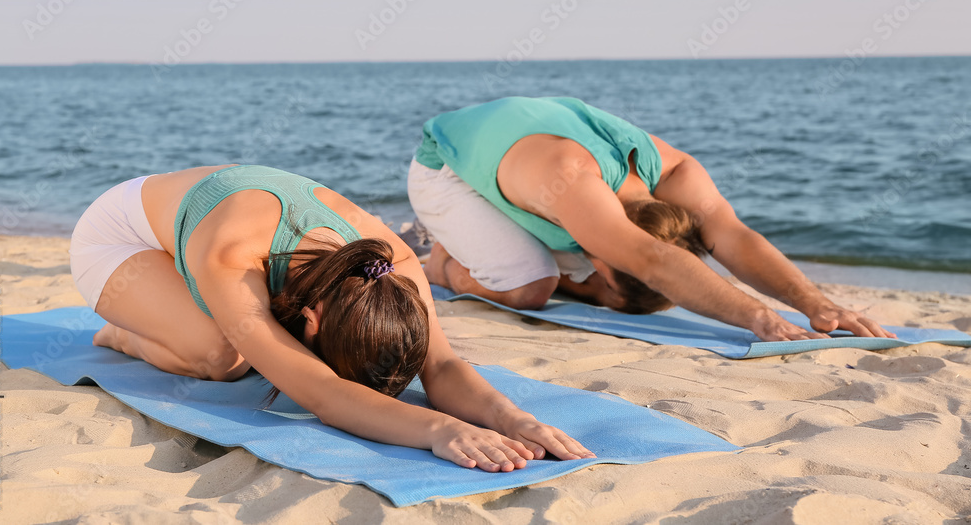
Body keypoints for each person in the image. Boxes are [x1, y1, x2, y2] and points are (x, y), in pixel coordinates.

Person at [69, 164, 594, 471]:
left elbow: (441, 366)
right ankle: (125, 332)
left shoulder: (394, 266)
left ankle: (171, 310)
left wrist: (513, 419)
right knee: (222, 357)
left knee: (251, 351)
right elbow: (323, 394)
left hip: (196, 226)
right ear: (314, 319)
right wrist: (439, 429)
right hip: (116, 242)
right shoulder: (232, 257)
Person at [408, 96, 895, 342]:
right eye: (604, 283)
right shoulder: (572, 180)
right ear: (600, 259)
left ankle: (476, 238)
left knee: (576, 275)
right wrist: (762, 319)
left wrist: (815, 303)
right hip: (446, 169)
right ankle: (440, 263)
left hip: (517, 149)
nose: (598, 282)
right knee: (529, 288)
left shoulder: (675, 171)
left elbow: (734, 235)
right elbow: (653, 261)